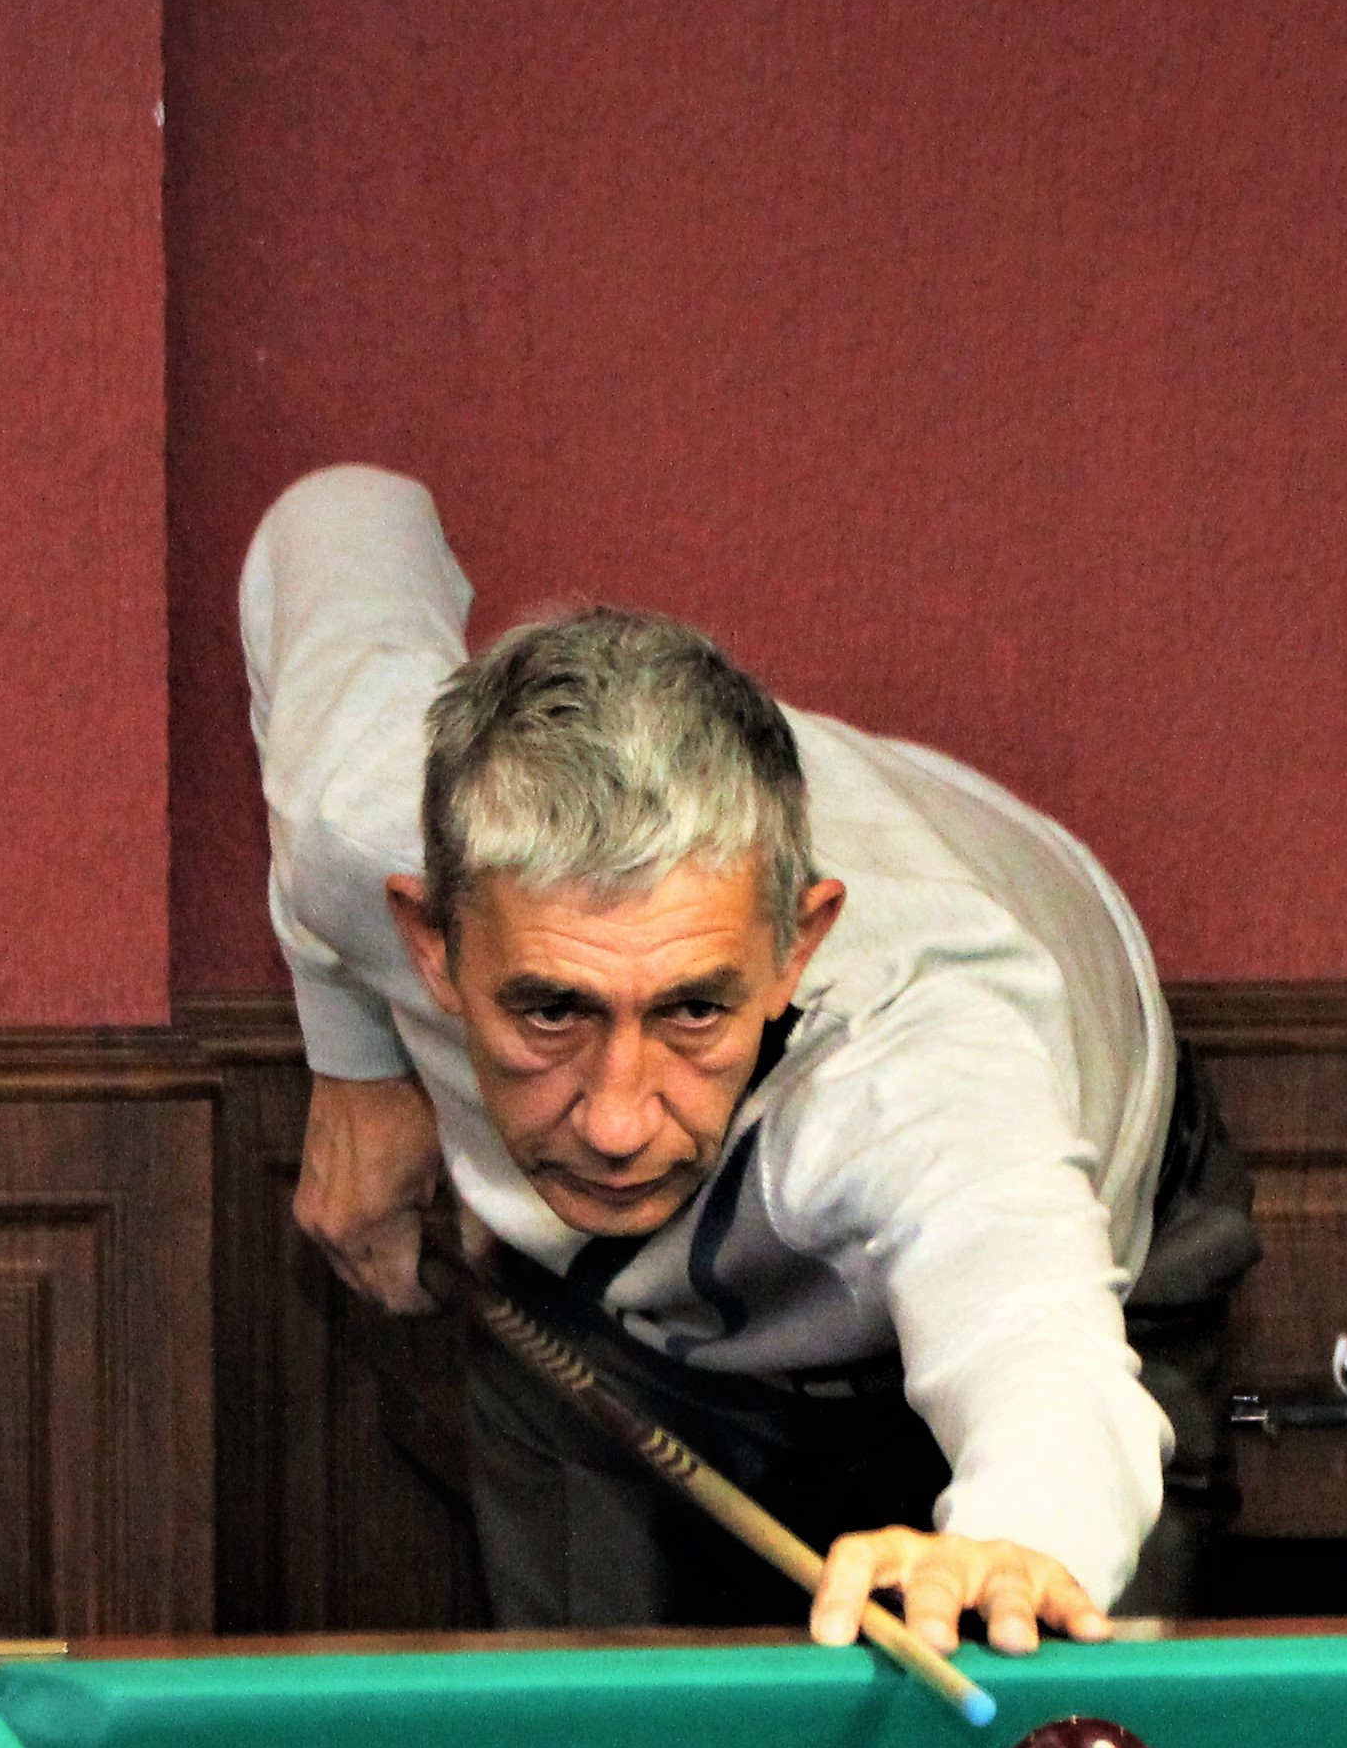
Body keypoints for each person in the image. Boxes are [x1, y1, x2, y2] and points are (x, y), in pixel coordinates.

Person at [241, 465, 1254, 1655]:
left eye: (691, 1012)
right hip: (608, 1314)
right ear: (429, 939)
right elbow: (343, 515)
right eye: (550, 1013)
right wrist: (355, 1062)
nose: (616, 1122)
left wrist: (1021, 1533)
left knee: (1047, 1688)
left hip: (1103, 1211)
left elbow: (1031, 1336)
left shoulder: (926, 1049)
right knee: (595, 1741)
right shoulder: (362, 821)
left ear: (795, 947)